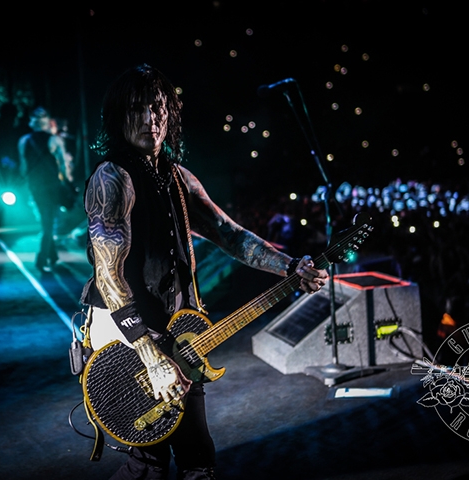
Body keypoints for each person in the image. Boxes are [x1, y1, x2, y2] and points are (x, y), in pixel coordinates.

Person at [79, 64, 329, 480]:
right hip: (130, 334)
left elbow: (230, 235)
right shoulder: (112, 178)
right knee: (150, 463)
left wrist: (290, 267)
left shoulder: (177, 177)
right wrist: (149, 353)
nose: (150, 120)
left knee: (195, 458)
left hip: (178, 333)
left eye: (157, 109)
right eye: (138, 110)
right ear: (119, 117)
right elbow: (108, 275)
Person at [17, 107, 70, 272]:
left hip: (35, 185)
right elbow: (63, 166)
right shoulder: (54, 140)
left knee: (45, 219)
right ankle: (41, 258)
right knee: (49, 221)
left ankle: (52, 256)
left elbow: (23, 168)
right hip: (52, 185)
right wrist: (67, 182)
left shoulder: (24, 141)